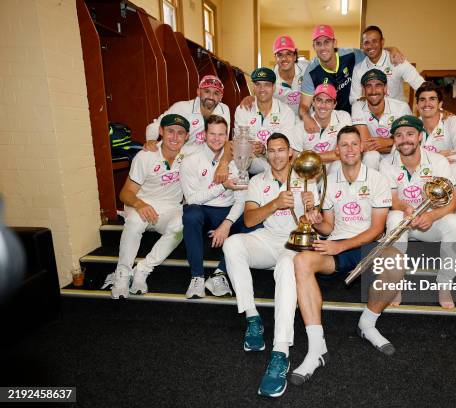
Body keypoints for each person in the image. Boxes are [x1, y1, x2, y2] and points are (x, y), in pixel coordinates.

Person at [290, 126, 402, 386]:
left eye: (355, 143)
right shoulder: (328, 180)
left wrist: (342, 246)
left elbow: (377, 229)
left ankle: (368, 324)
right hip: (336, 244)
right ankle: (317, 347)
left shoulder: (377, 179)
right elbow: (328, 227)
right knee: (301, 260)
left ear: (362, 147)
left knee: (396, 260)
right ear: (337, 150)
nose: (350, 149)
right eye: (344, 145)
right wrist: (315, 220)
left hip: (366, 245)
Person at [222, 133, 319, 398]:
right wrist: (275, 203)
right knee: (233, 244)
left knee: (287, 268)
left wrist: (313, 211)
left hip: (295, 242)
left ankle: (280, 351)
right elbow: (251, 219)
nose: (277, 155)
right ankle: (253, 317)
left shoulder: (307, 177)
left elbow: (319, 223)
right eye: (272, 151)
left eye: (281, 150)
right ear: (266, 154)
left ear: (290, 153)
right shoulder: (257, 181)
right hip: (268, 238)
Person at [380, 115, 456, 309]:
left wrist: (431, 215)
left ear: (420, 136)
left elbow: (453, 203)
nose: (405, 139)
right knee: (393, 217)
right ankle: (395, 282)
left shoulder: (438, 162)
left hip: (431, 222)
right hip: (406, 221)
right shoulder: (386, 163)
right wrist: (404, 208)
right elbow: (392, 200)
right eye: (399, 135)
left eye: (410, 134)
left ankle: (444, 284)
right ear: (394, 140)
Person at [111, 114, 190, 299]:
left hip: (170, 208)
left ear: (186, 137)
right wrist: (140, 204)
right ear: (161, 131)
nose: (175, 137)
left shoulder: (189, 155)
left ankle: (143, 270)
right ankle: (122, 274)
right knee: (134, 222)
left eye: (180, 133)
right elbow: (125, 193)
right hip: (141, 204)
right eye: (170, 131)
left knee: (181, 225)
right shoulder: (145, 156)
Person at [180, 115, 252, 298]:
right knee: (190, 215)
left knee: (254, 222)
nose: (217, 138)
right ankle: (196, 277)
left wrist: (227, 224)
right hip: (202, 209)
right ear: (204, 134)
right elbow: (192, 199)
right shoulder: (190, 160)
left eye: (221, 134)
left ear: (227, 135)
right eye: (212, 133)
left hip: (227, 211)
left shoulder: (238, 159)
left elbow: (241, 200)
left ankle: (220, 274)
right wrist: (222, 186)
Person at [299, 24, 405, 131]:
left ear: (334, 43)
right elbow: (304, 105)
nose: (323, 47)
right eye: (318, 43)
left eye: (327, 42)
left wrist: (392, 49)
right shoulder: (311, 72)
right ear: (314, 47)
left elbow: (373, 50)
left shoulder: (351, 55)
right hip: (328, 121)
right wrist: (306, 117)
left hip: (354, 117)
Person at [415, 81, 456, 216]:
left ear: (440, 104)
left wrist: (426, 158)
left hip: (446, 174)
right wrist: (438, 157)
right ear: (417, 105)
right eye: (422, 100)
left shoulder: (453, 120)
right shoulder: (413, 124)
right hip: (420, 172)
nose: (427, 104)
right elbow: (398, 154)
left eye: (432, 99)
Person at [233, 67, 297, 175]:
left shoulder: (286, 112)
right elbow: (239, 144)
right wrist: (249, 148)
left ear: (273, 87)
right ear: (253, 87)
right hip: (247, 167)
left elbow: (286, 148)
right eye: (258, 84)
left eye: (267, 84)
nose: (262, 89)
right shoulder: (242, 109)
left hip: (277, 167)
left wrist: (264, 150)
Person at [144, 75, 231, 151]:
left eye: (216, 93)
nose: (211, 97)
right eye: (207, 91)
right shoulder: (182, 107)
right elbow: (156, 125)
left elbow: (224, 140)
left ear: (221, 97)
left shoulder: (224, 110)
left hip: (205, 159)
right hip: (180, 156)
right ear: (198, 92)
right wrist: (150, 140)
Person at [352, 68, 412, 170]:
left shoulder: (401, 107)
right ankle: (370, 186)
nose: (373, 91)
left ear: (385, 88)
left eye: (378, 85)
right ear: (363, 90)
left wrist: (387, 142)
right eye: (369, 86)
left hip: (398, 156)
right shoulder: (357, 106)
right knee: (371, 156)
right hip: (371, 157)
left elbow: (409, 141)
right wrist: (392, 142)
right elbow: (367, 146)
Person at [349, 25, 424, 105]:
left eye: (374, 41)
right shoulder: (358, 69)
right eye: (366, 43)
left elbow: (418, 83)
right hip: (371, 114)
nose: (370, 46)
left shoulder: (395, 59)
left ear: (382, 42)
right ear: (362, 46)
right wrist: (365, 101)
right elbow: (354, 99)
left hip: (398, 113)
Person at [292, 83, 351, 173]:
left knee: (338, 165)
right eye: (319, 100)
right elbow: (295, 160)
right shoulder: (300, 126)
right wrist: (331, 155)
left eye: (328, 101)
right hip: (310, 172)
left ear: (334, 104)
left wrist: (309, 157)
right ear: (313, 102)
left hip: (334, 170)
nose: (323, 105)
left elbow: (346, 153)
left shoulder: (343, 117)